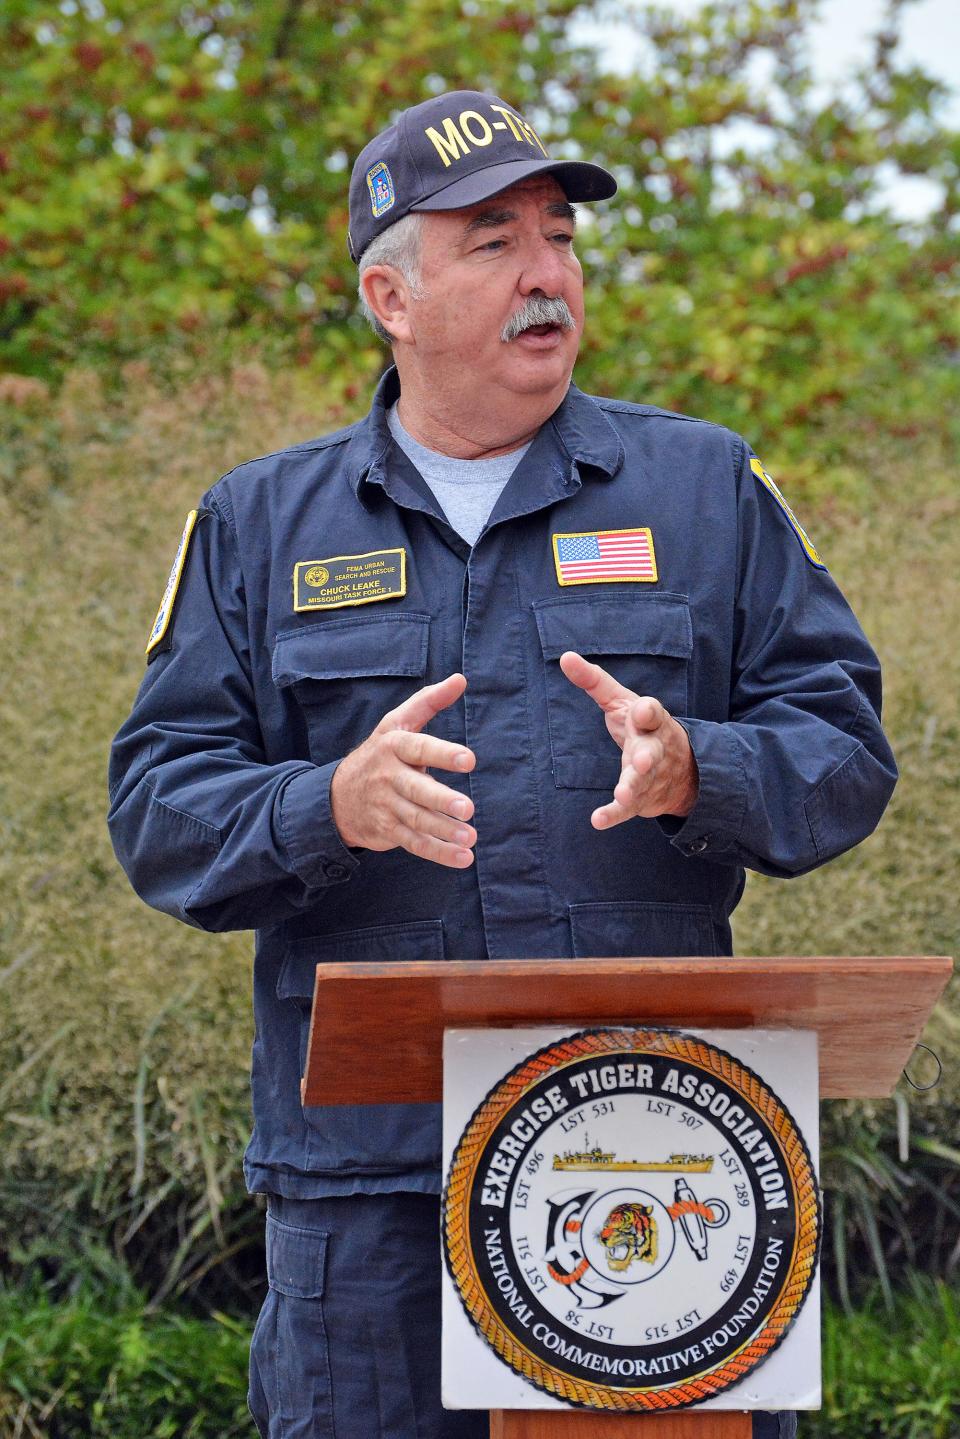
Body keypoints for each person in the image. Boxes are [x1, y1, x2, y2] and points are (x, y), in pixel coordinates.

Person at [108, 90, 897, 1439]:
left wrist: (699, 764)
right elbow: (158, 811)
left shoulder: (704, 489)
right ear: (390, 296)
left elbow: (842, 751)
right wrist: (325, 804)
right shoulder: (259, 526)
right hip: (372, 1198)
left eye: (558, 235)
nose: (547, 271)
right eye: (492, 241)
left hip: (655, 1152)